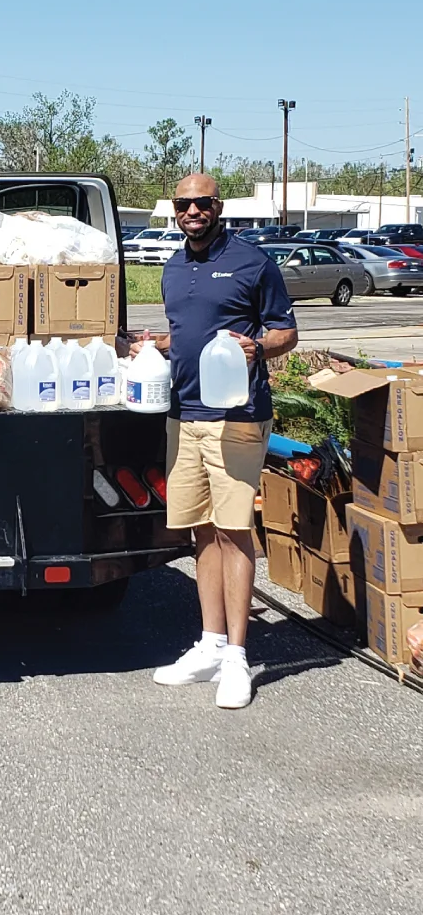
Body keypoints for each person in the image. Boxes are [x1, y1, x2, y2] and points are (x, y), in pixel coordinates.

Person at [133, 174, 298, 709]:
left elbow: (285, 332)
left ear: (217, 206)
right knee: (201, 533)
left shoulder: (253, 261)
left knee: (233, 533)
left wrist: (258, 347)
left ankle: (237, 660)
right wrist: (152, 344)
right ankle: (209, 644)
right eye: (183, 205)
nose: (191, 212)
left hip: (238, 417)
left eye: (200, 203)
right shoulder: (174, 267)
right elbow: (186, 334)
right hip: (184, 415)